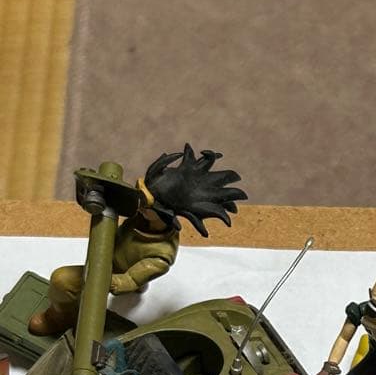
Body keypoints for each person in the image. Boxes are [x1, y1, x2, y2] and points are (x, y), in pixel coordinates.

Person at [29, 144, 246, 337]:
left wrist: (105, 279)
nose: (137, 201)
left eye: (144, 199)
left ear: (163, 213)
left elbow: (129, 280)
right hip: (117, 254)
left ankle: (59, 317)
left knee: (62, 281)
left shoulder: (160, 256)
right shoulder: (140, 216)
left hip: (119, 270)